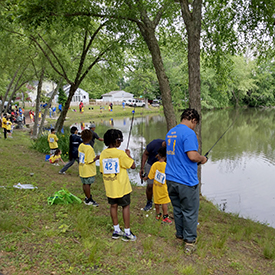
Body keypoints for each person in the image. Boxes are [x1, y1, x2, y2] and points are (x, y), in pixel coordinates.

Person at [165, 108, 208, 254]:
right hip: (186, 181)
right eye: (195, 124)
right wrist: (202, 159)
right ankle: (189, 242)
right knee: (190, 211)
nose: (194, 127)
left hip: (171, 179)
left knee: (177, 209)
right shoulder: (189, 133)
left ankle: (180, 235)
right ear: (193, 120)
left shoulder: (171, 132)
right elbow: (192, 156)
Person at [100, 129, 136, 241]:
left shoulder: (103, 154)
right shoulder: (120, 154)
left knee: (113, 206)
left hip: (110, 188)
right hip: (122, 188)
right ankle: (127, 232)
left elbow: (102, 171)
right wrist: (128, 155)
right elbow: (133, 165)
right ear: (116, 141)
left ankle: (116, 230)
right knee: (125, 206)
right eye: (120, 140)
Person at [146, 146, 172, 224]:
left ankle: (158, 216)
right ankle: (165, 217)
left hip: (156, 187)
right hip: (164, 187)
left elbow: (150, 176)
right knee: (164, 202)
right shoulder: (166, 165)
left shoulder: (154, 165)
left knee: (156, 202)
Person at [139, 139, 166, 211]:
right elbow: (145, 154)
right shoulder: (154, 143)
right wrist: (142, 168)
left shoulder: (171, 147)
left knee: (162, 185)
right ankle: (149, 202)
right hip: (151, 165)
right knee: (150, 185)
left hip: (163, 166)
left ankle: (162, 201)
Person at [78, 129, 100, 206]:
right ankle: (89, 199)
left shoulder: (81, 145)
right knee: (88, 184)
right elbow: (90, 160)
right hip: (88, 169)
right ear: (90, 138)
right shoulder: (89, 148)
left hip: (82, 168)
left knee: (84, 183)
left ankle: (87, 198)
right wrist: (96, 158)